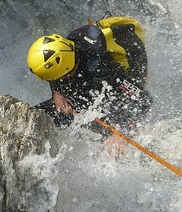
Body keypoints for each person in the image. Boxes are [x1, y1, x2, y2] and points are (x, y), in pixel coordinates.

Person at [27, 16, 152, 153]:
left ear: (68, 71)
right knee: (72, 100)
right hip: (95, 56)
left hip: (131, 57)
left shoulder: (104, 69)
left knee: (112, 107)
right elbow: (56, 69)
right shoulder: (67, 47)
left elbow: (143, 100)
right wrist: (56, 92)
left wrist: (121, 133)